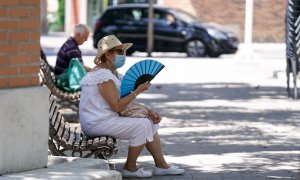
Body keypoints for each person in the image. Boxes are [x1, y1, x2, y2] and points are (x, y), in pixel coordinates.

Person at [79, 35, 185, 178]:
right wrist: (137, 91)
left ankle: (161, 166)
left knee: (150, 122)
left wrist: (148, 111)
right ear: (108, 54)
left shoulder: (113, 74)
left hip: (106, 119)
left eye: (124, 51)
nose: (123, 55)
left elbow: (125, 101)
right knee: (142, 125)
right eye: (119, 51)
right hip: (96, 123)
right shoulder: (102, 77)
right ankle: (130, 167)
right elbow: (116, 107)